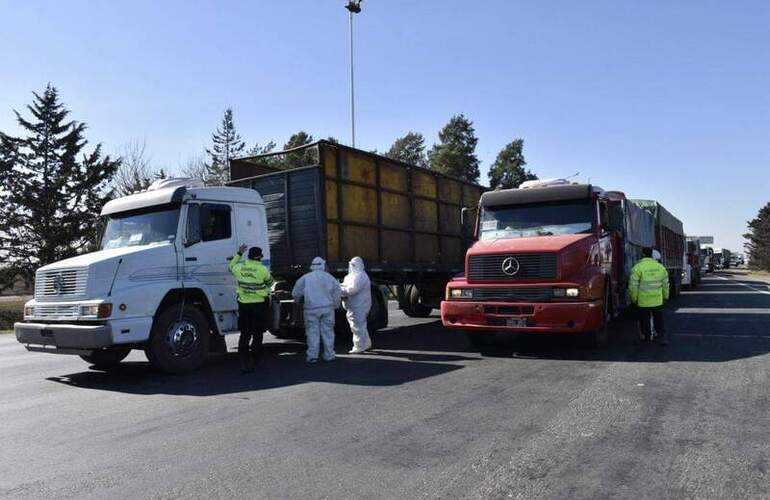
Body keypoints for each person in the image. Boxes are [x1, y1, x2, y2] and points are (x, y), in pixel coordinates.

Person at [228, 244, 273, 372]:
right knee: (257, 334)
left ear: (248, 256)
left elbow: (230, 266)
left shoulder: (239, 267)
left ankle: (243, 362)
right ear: (259, 257)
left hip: (244, 306)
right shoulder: (263, 270)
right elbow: (270, 283)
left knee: (245, 334)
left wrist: (239, 253)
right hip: (259, 305)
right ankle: (256, 362)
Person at [292, 257, 342, 363]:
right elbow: (337, 293)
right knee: (328, 332)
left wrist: (298, 300)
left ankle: (312, 356)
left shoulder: (306, 278)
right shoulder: (330, 278)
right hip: (327, 309)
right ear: (323, 265)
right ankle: (329, 355)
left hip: (310, 309)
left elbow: (296, 292)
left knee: (312, 333)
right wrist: (335, 305)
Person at [629, 247, 670, 345]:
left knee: (644, 319)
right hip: (657, 300)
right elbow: (665, 284)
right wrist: (666, 296)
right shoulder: (660, 267)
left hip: (643, 301)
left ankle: (647, 337)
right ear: (652, 255)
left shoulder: (637, 268)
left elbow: (633, 287)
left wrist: (634, 299)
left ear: (642, 255)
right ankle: (661, 337)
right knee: (659, 319)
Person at [341, 256, 372, 354]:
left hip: (360, 305)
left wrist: (340, 289)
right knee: (359, 325)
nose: (353, 266)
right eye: (352, 264)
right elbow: (346, 287)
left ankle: (359, 346)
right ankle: (366, 343)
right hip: (352, 305)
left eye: (355, 264)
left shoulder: (361, 276)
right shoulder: (350, 276)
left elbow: (352, 290)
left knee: (358, 326)